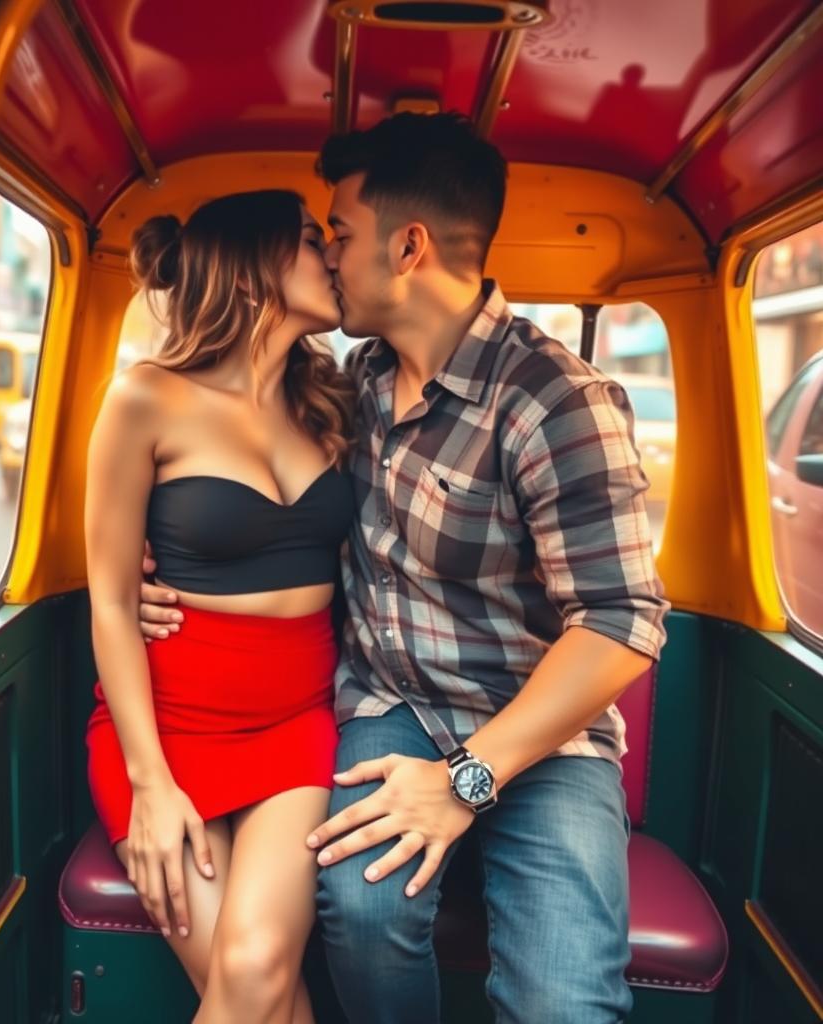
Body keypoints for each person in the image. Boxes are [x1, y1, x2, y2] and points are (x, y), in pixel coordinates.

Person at [139, 112, 669, 1024]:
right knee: (360, 910)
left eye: (338, 235)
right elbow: (258, 483)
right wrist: (172, 561)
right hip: (391, 707)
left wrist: (468, 780)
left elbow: (621, 623)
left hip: (543, 732)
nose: (330, 257)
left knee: (564, 1004)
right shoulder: (355, 387)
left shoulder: (555, 402)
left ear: (409, 246)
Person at [85, 189, 356, 1024]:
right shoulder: (145, 399)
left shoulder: (334, 400)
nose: (334, 255)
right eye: (314, 240)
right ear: (253, 273)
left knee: (254, 962)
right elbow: (110, 598)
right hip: (165, 734)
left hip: (298, 726)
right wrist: (151, 787)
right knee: (261, 991)